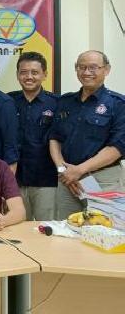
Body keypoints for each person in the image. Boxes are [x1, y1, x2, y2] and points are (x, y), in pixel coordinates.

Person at [50, 50, 125, 220]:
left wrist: (79, 170)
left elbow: (117, 148)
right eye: (81, 67)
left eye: (93, 67)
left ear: (106, 70)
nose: (86, 72)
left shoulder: (118, 104)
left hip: (103, 179)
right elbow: (54, 138)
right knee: (66, 228)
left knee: (103, 229)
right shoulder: (66, 101)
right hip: (67, 180)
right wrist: (64, 171)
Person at [8, 52, 58, 221]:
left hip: (47, 182)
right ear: (17, 75)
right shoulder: (7, 101)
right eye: (23, 72)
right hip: (14, 181)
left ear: (45, 74)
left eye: (35, 72)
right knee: (17, 229)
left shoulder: (57, 103)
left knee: (48, 229)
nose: (29, 77)